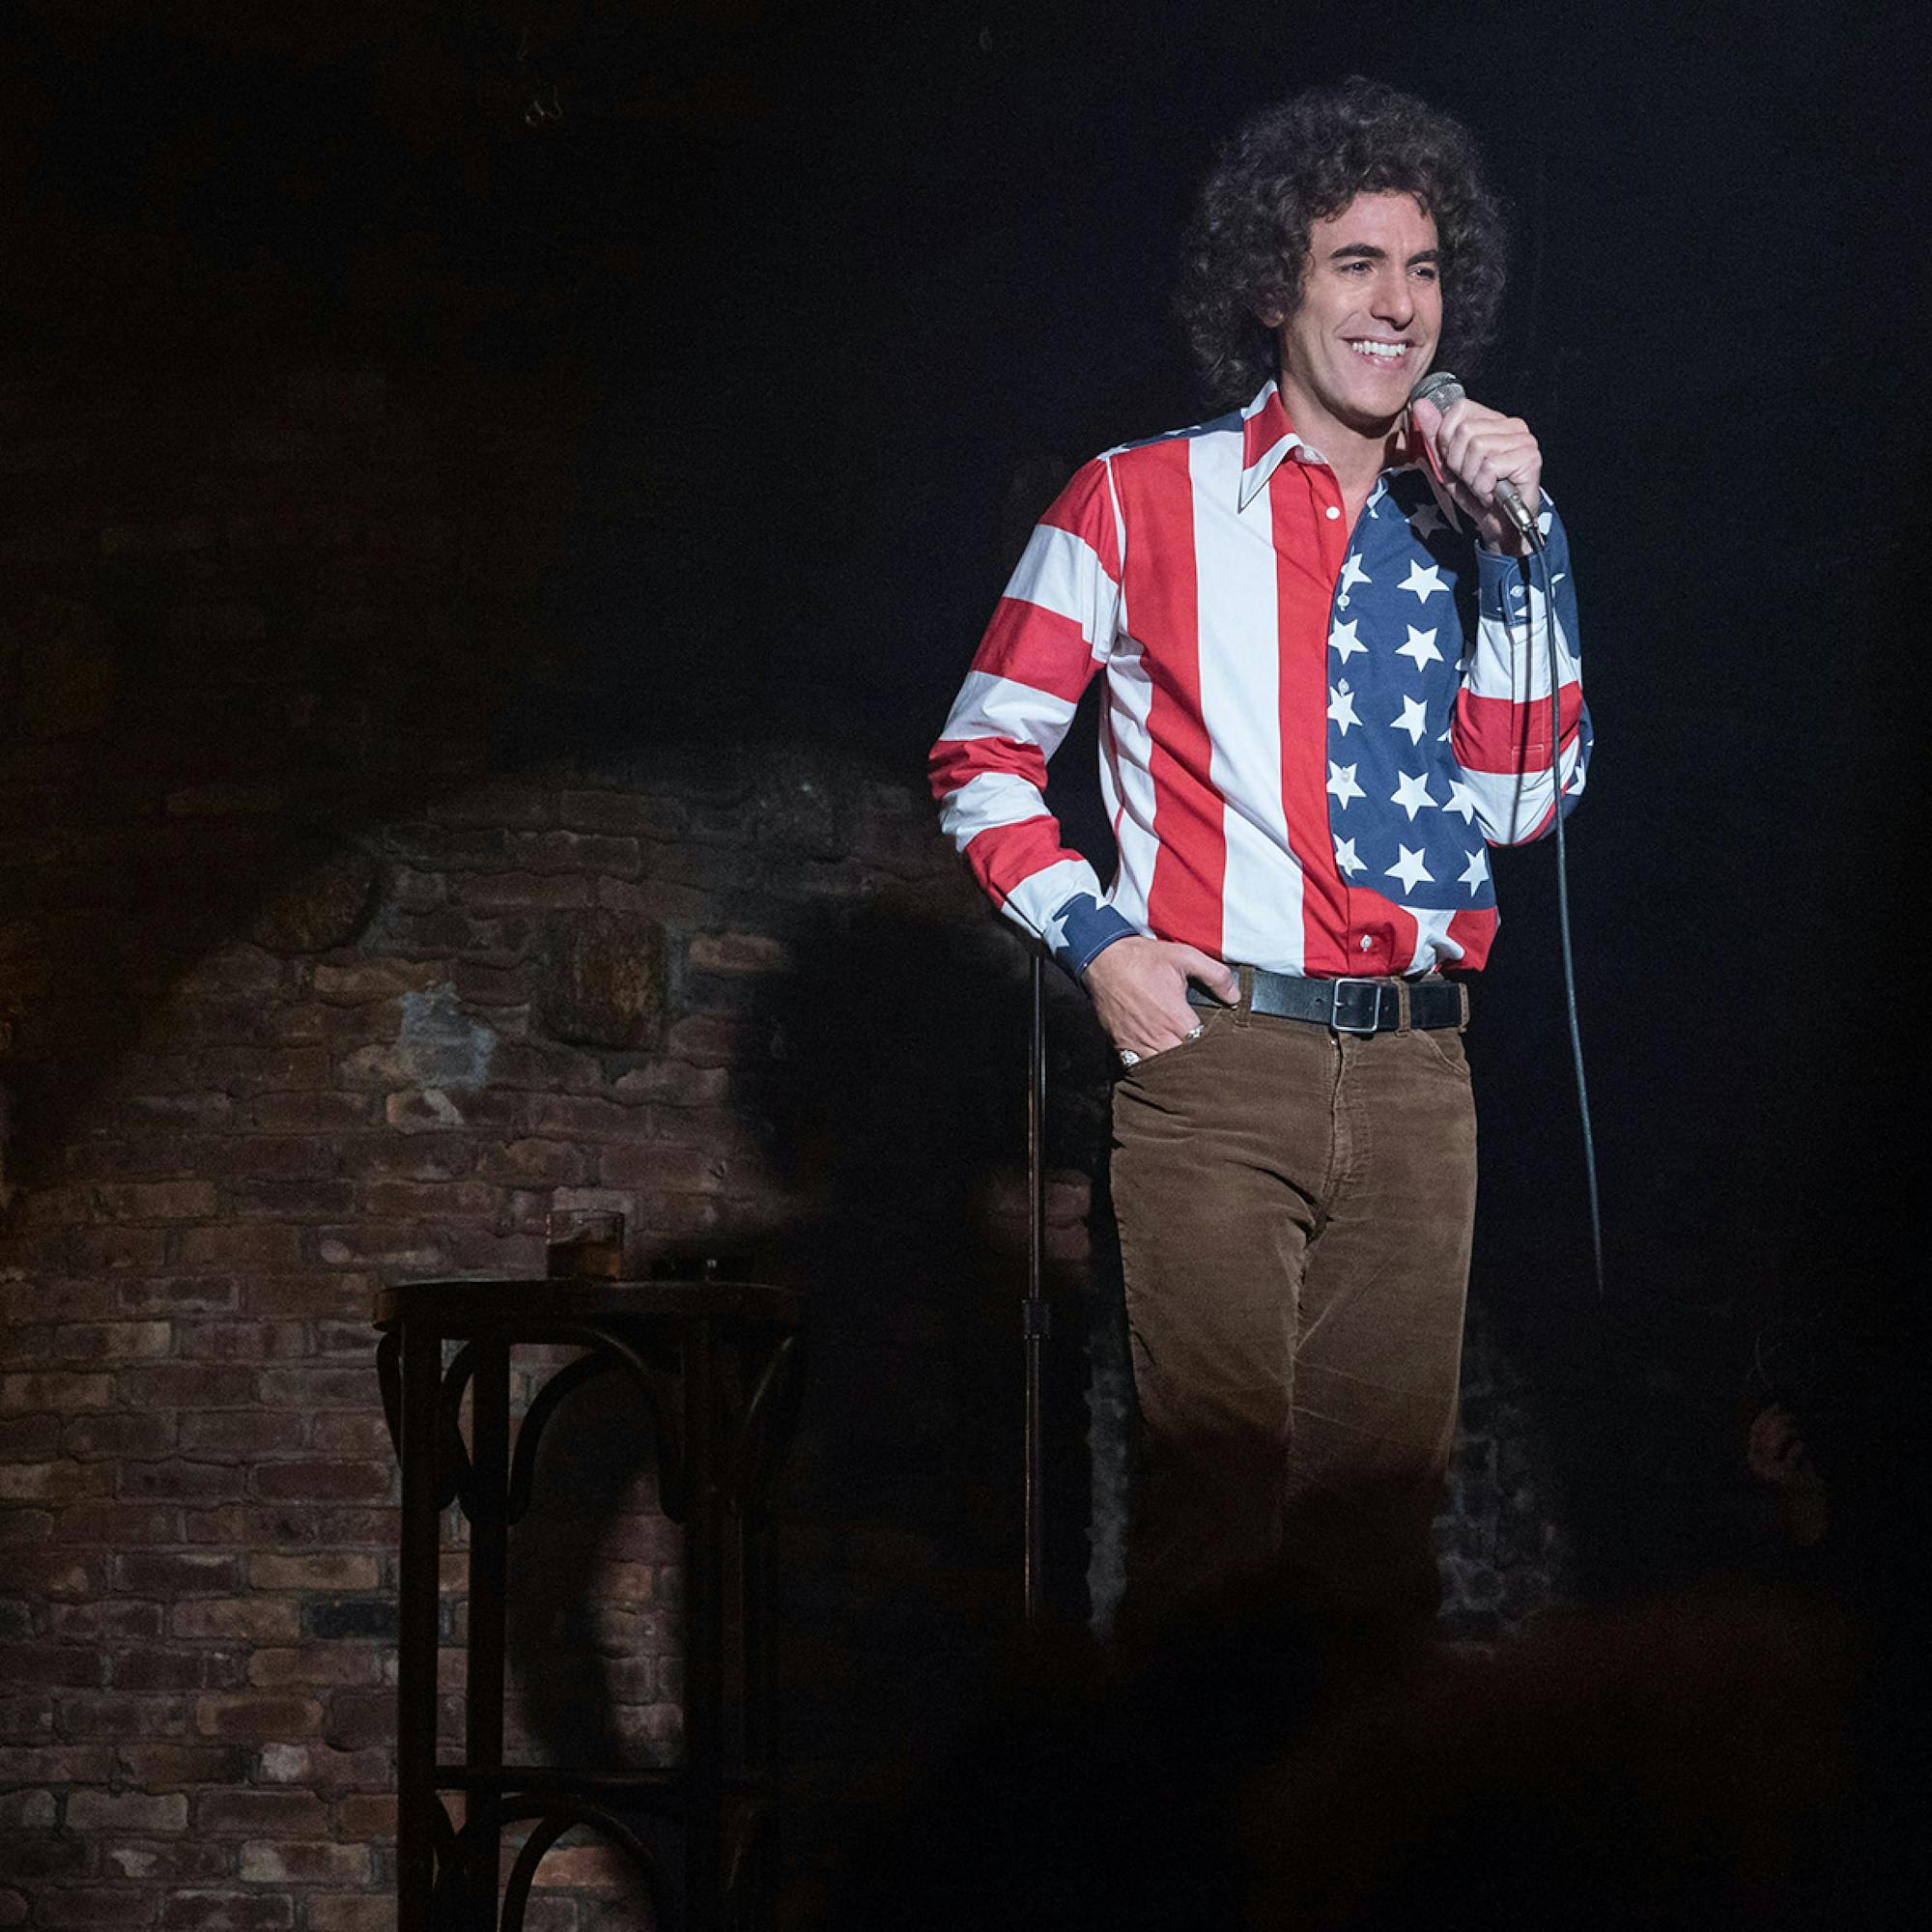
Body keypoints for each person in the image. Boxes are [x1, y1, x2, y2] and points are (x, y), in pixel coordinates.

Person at [929, 78, 1589, 1643]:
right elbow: (982, 752)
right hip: (1221, 1064)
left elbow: (1521, 801)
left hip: (1424, 1079)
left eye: (1424, 270)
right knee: (1214, 1522)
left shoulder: (1468, 525)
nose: (1396, 304)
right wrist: (1102, 945)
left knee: (1378, 1540)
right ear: (1275, 281)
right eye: (1355, 262)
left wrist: (1526, 538)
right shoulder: (1135, 497)